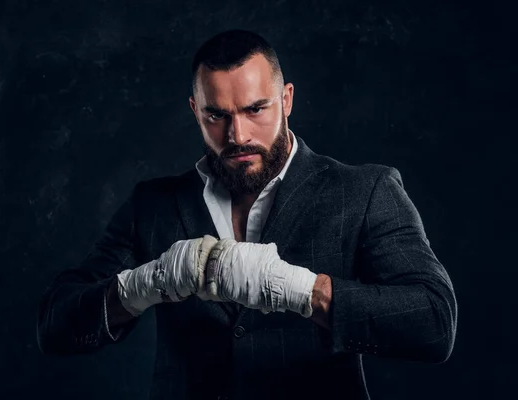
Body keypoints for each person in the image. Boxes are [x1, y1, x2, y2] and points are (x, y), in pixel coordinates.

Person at [36, 29, 458, 400]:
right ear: (195, 111)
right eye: (217, 115)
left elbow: (433, 323)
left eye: (256, 109)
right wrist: (142, 286)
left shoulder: (365, 190)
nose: (238, 136)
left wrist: (302, 290)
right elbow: (55, 325)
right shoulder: (154, 204)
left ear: (286, 99)